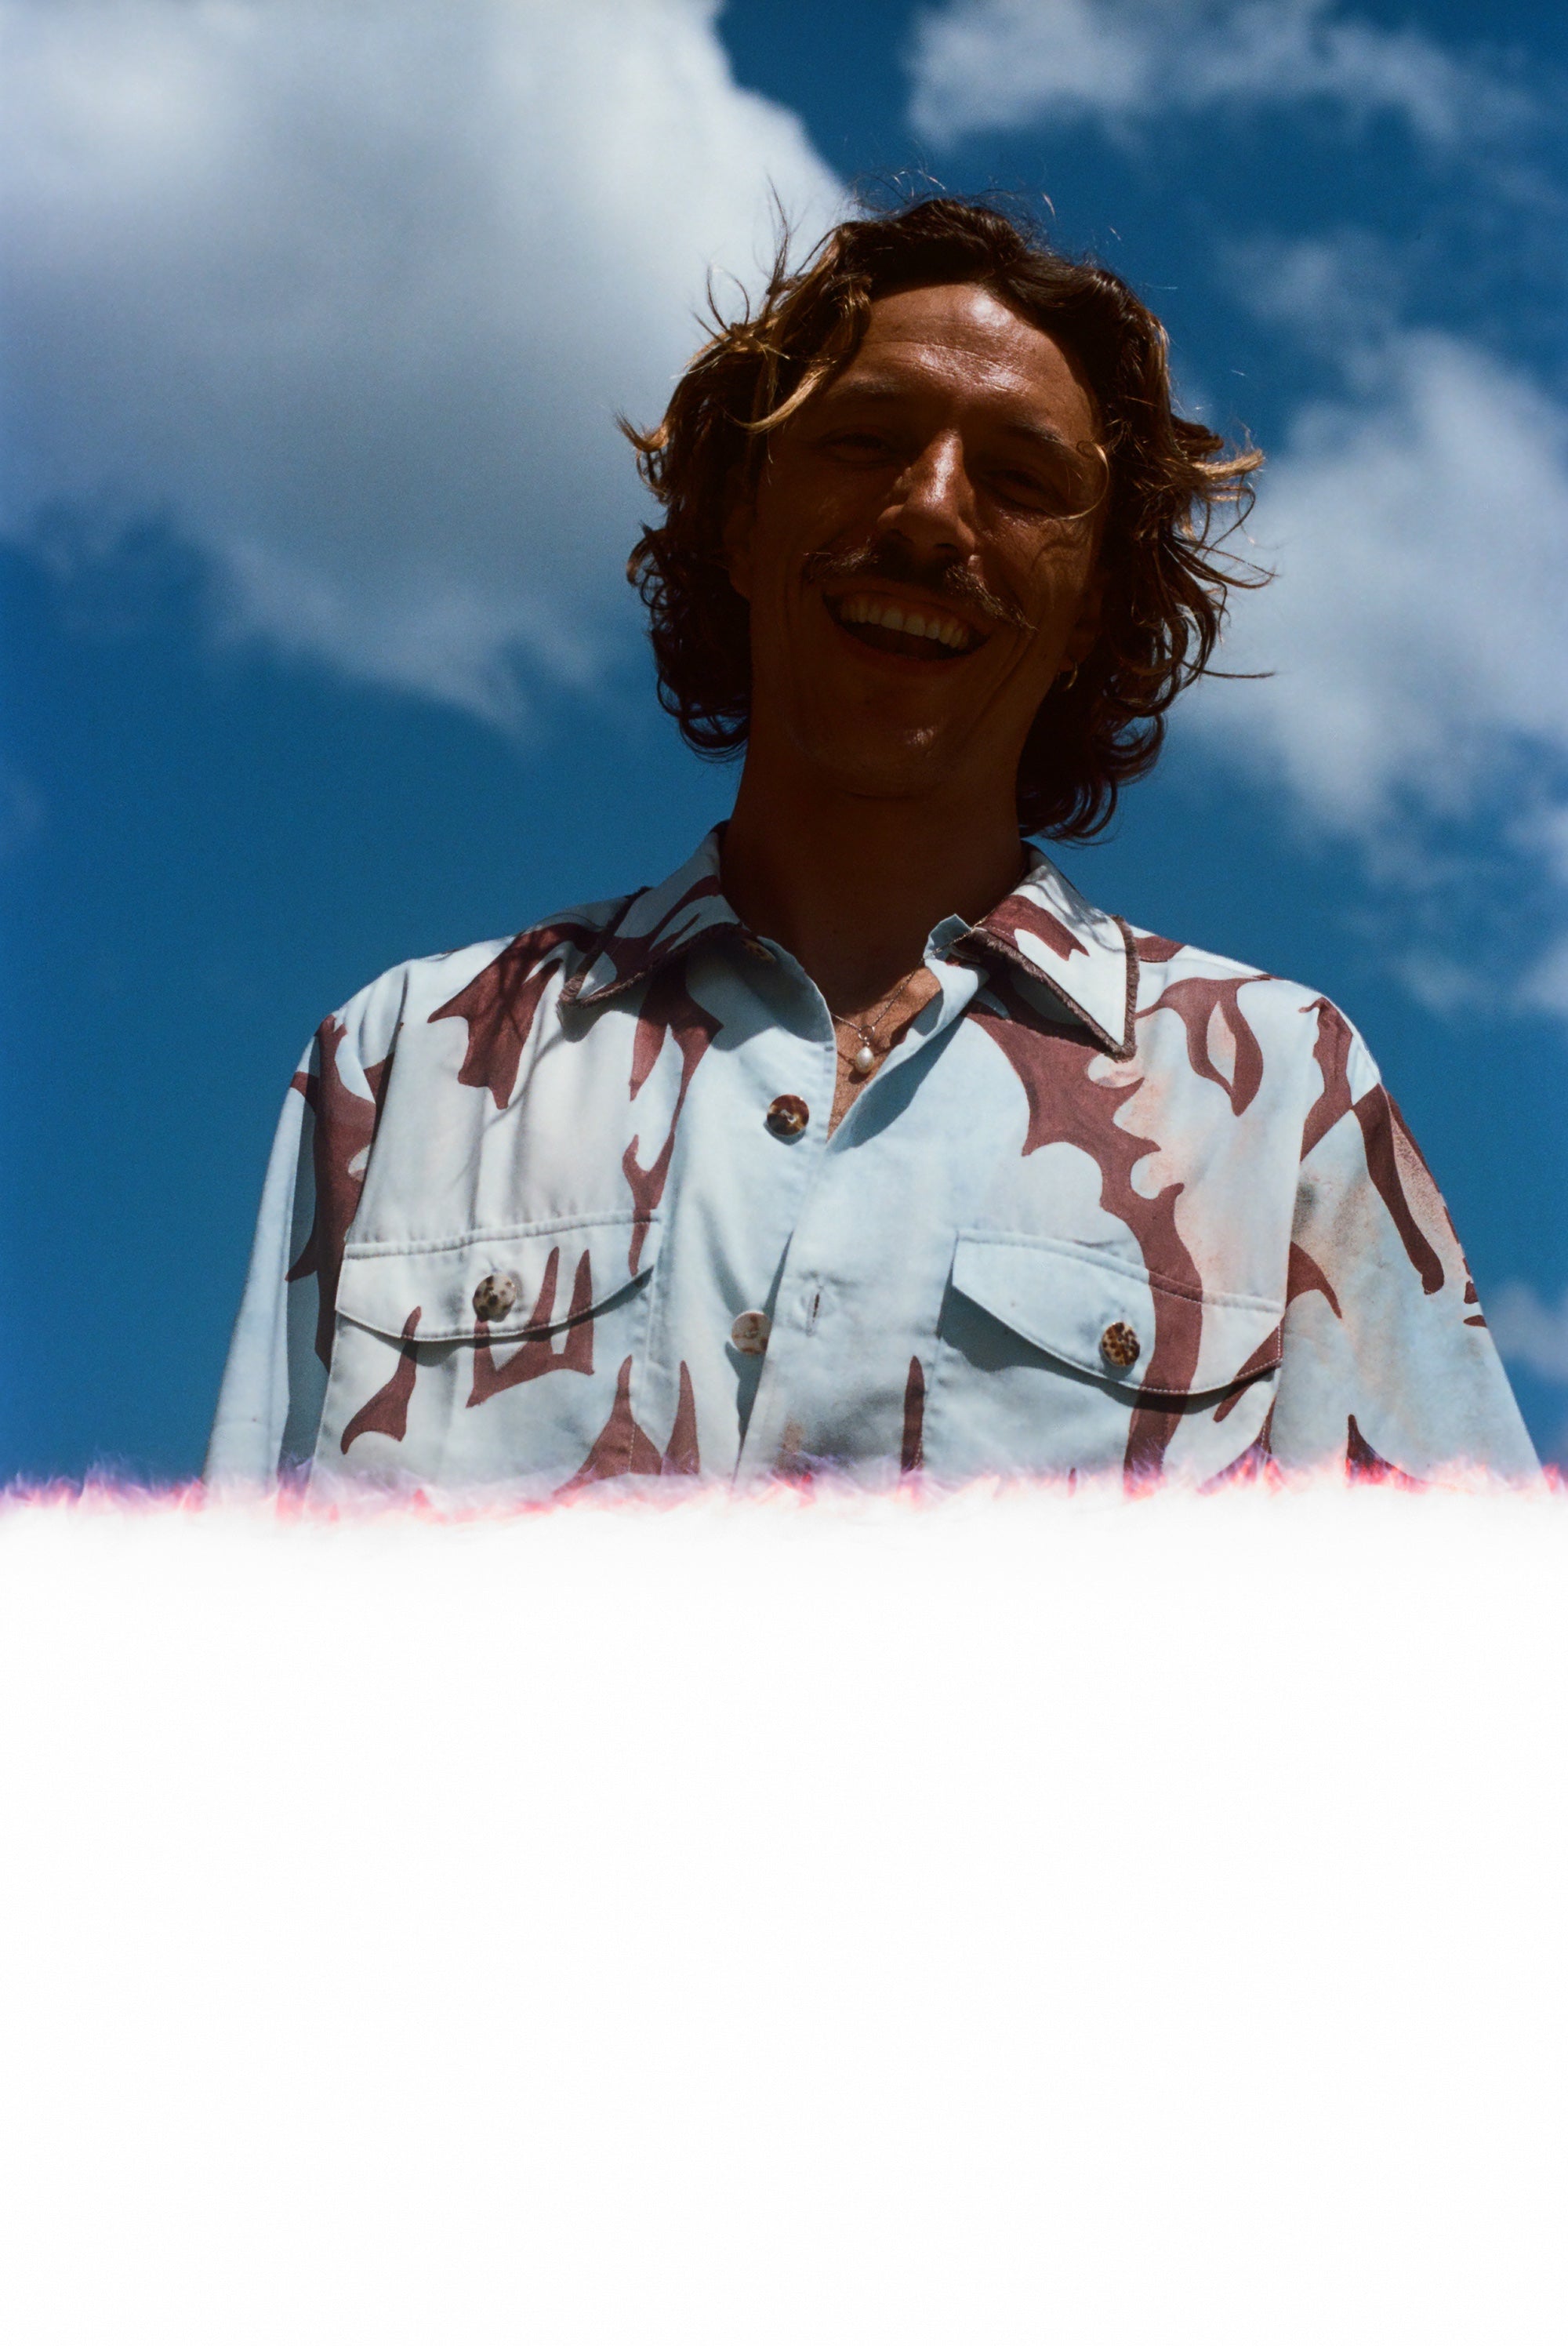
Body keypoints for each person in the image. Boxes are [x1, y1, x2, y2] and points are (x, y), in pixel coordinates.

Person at [206, 197, 1537, 1491]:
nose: (933, 513)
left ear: (1094, 610)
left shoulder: (1281, 1100)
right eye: (865, 439)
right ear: (740, 519)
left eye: (1021, 478)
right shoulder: (406, 1064)